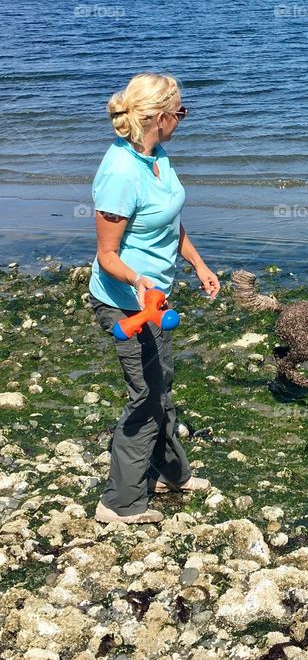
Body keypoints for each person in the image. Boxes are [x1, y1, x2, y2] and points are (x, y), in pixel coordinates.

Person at [87, 72, 220, 524]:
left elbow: (168, 221)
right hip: (124, 301)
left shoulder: (156, 155)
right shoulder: (121, 172)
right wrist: (139, 281)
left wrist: (198, 264)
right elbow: (106, 254)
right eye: (181, 112)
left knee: (160, 382)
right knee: (145, 396)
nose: (183, 119)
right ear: (161, 117)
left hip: (154, 300)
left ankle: (170, 473)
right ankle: (118, 504)